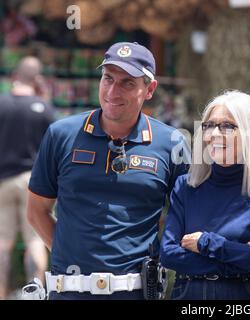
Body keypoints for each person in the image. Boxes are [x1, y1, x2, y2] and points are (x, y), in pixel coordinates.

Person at [27, 42, 189, 300]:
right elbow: (37, 211)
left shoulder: (171, 143)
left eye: (127, 83)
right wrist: (70, 257)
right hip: (67, 292)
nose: (113, 91)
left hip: (135, 293)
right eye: (108, 78)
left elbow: (187, 214)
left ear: (149, 89)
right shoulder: (61, 134)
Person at [160, 90, 250, 300]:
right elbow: (169, 255)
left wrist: (206, 243)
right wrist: (242, 253)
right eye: (209, 125)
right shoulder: (185, 187)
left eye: (227, 126)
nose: (214, 134)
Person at [0, 56, 54, 299]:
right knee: (34, 240)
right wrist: (44, 98)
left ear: (14, 77)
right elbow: (56, 141)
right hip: (34, 182)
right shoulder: (42, 107)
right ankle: (34, 294)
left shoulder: (1, 103)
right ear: (37, 79)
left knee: (2, 242)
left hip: (3, 180)